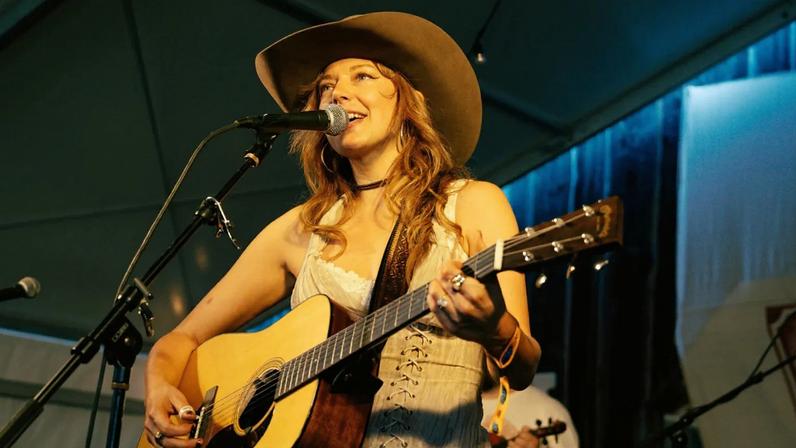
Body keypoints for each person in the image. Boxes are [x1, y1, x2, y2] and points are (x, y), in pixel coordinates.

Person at [143, 11, 541, 448]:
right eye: (326, 86)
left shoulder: (472, 203)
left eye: (363, 76)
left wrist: (492, 329)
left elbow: (523, 370)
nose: (339, 94)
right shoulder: (302, 229)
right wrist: (161, 390)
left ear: (408, 100)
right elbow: (181, 339)